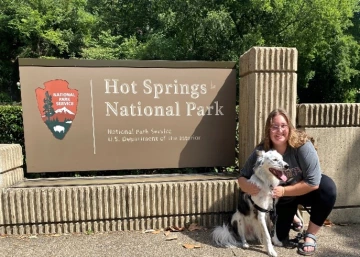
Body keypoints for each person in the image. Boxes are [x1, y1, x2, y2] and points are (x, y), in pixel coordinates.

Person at [237, 108, 337, 256]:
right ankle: (292, 215)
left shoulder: (302, 146)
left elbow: (313, 182)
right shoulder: (263, 151)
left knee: (328, 188)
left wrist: (284, 191)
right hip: (282, 199)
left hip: (302, 191)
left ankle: (310, 236)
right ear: (268, 130)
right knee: (280, 239)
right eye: (274, 126)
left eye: (283, 125)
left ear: (289, 127)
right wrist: (247, 186)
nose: (279, 130)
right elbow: (242, 177)